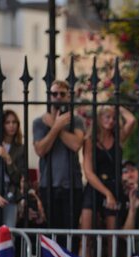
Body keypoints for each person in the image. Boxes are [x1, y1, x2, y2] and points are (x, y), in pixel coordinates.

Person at [33, 79, 85, 229]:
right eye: (54, 93)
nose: (58, 97)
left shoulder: (77, 121)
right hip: (48, 184)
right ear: (49, 96)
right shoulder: (40, 122)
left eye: (62, 94)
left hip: (72, 185)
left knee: (71, 233)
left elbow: (76, 145)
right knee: (52, 232)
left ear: (69, 97)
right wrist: (56, 127)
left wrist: (56, 127)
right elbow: (41, 150)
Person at [80, 106, 136, 232]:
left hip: (113, 185)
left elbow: (131, 120)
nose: (111, 121)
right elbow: (88, 172)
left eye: (114, 118)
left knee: (112, 237)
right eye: (107, 117)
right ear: (99, 118)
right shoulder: (90, 140)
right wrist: (107, 193)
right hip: (95, 186)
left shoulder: (118, 137)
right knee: (85, 235)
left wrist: (118, 107)